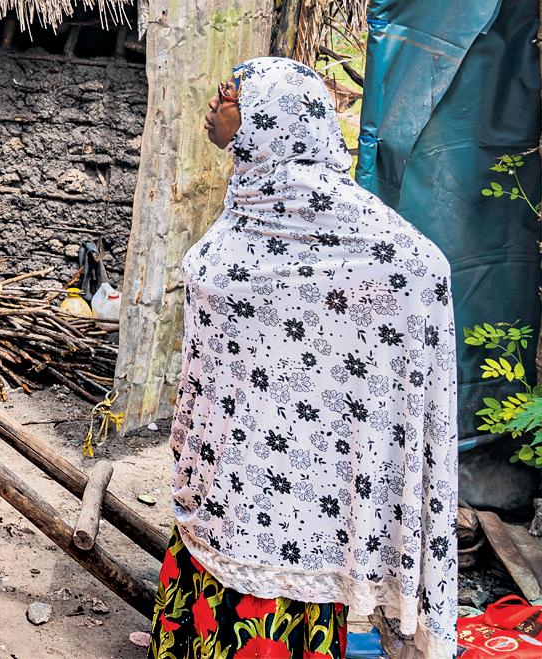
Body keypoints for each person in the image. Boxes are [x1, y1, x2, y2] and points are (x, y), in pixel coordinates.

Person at [153, 56, 458, 659]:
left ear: (270, 118)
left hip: (296, 508)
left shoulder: (349, 230)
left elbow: (425, 271)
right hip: (226, 479)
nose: (216, 107)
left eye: (229, 96)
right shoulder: (251, 204)